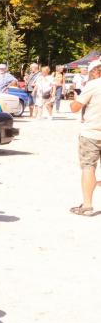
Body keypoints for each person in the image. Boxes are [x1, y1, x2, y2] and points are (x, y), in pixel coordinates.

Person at [69, 60, 101, 215]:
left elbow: (76, 108)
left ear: (95, 71)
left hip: (92, 133)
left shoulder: (93, 85)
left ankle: (87, 205)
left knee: (89, 167)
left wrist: (72, 101)